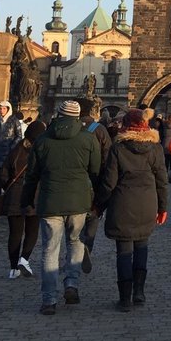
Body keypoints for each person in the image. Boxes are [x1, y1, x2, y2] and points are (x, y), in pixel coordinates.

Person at [21, 100, 101, 315]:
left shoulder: (42, 140)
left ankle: (49, 300)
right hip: (78, 201)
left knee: (50, 249)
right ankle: (71, 284)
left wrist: (27, 200)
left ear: (58, 114)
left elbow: (31, 176)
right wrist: (99, 201)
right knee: (75, 242)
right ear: (77, 116)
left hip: (50, 202)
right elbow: (96, 172)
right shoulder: (88, 139)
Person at [95, 109, 168, 312]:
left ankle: (125, 298)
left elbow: (109, 183)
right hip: (147, 204)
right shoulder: (155, 149)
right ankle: (139, 292)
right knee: (142, 247)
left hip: (122, 204)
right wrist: (163, 208)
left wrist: (99, 205)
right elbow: (162, 182)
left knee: (124, 252)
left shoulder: (118, 149)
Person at [0, 120, 47, 280]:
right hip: (34, 195)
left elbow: (4, 173)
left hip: (14, 196)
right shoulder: (42, 151)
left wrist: (8, 187)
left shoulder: (17, 149)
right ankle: (24, 259)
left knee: (14, 234)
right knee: (32, 231)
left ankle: (13, 268)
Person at [77, 98, 112, 274]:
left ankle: (74, 250)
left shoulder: (66, 128)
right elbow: (108, 159)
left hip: (71, 182)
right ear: (92, 112)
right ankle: (86, 247)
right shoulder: (99, 130)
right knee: (92, 217)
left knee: (72, 220)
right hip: (93, 182)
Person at [0, 100, 22, 202]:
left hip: (8, 152)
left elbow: (19, 136)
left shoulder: (14, 120)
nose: (2, 110)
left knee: (6, 177)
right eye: (0, 108)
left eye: (4, 108)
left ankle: (7, 200)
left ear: (8, 109)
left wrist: (12, 147)